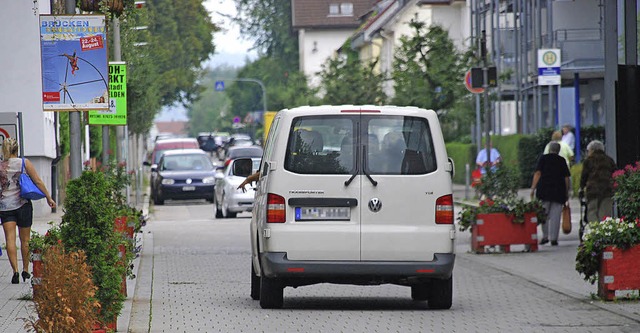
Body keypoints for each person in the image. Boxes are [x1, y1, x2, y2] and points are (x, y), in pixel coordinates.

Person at [0, 138, 56, 284]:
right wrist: (48, 198)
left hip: (5, 207)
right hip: (23, 205)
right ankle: (25, 269)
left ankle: (15, 272)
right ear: (16, 148)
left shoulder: (1, 165)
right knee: (25, 240)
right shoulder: (24, 163)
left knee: (10, 240)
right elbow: (38, 181)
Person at [530, 142, 570, 246]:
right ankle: (554, 238)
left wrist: (533, 188)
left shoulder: (543, 158)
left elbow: (538, 173)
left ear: (549, 149)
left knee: (544, 214)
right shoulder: (562, 160)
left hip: (544, 190)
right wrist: (566, 192)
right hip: (558, 191)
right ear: (558, 150)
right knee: (556, 215)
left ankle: (545, 236)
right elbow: (566, 178)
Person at [579, 140, 616, 223]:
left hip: (593, 191)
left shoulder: (588, 160)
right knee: (605, 214)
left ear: (592, 150)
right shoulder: (609, 160)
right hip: (607, 190)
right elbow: (615, 175)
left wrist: (581, 188)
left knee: (592, 212)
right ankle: (604, 232)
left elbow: (584, 177)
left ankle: (594, 232)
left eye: (588, 151)